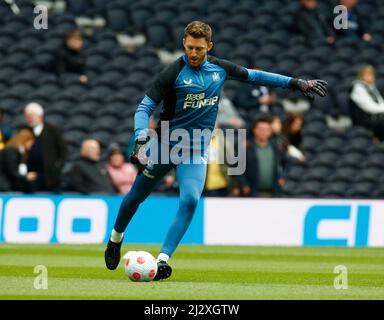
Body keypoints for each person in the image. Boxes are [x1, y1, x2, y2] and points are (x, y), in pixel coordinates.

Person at [104, 21, 327, 280]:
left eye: (199, 48)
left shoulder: (219, 69)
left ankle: (163, 259)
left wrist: (296, 83)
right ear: (183, 45)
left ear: (209, 46)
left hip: (196, 149)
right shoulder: (173, 72)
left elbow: (255, 75)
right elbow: (144, 107)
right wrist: (142, 138)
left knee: (189, 200)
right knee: (136, 196)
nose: (194, 53)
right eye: (189, 47)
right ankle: (115, 238)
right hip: (165, 146)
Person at [238, 116, 288, 197]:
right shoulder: (247, 147)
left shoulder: (276, 146)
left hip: (273, 192)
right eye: (261, 129)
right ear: (254, 130)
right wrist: (244, 184)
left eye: (267, 130)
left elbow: (286, 163)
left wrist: (283, 177)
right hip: (252, 192)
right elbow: (237, 168)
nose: (263, 132)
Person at [24, 102, 67, 193]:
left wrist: (57, 166)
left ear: (40, 116)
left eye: (31, 116)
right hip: (33, 176)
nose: (29, 119)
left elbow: (63, 149)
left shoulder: (52, 130)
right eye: (27, 116)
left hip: (50, 176)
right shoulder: (25, 131)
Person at [350, 65, 384, 140]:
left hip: (376, 117)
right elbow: (370, 108)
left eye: (372, 74)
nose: (371, 77)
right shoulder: (358, 89)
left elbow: (380, 102)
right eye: (368, 74)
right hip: (364, 120)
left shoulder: (372, 88)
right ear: (362, 76)